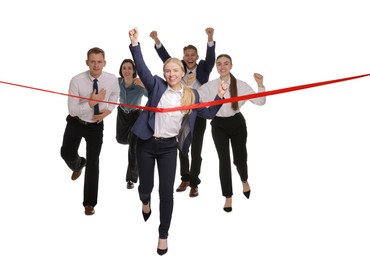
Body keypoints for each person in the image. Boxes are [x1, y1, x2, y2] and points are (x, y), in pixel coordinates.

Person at [128, 27, 226, 255]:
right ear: (164, 74)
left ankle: (163, 234)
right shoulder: (156, 86)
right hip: (146, 143)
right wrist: (135, 44)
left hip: (169, 148)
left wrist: (220, 97)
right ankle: (145, 200)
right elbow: (141, 68)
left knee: (166, 192)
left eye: (175, 70)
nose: (171, 74)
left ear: (182, 72)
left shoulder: (192, 96)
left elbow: (209, 114)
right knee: (146, 187)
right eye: (167, 70)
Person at [149, 28, 216, 197]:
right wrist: (157, 40)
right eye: (187, 55)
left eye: (193, 55)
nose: (190, 57)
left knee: (196, 150)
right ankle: (185, 177)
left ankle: (194, 182)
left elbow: (211, 58)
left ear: (197, 57)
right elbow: (166, 58)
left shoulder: (203, 69)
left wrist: (209, 37)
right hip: (179, 114)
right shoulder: (178, 69)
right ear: (183, 57)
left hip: (198, 113)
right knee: (181, 147)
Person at [197, 54, 266, 212]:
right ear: (216, 66)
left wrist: (260, 85)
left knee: (240, 158)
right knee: (224, 161)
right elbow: (195, 97)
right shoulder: (210, 86)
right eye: (219, 64)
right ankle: (228, 196)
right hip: (218, 125)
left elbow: (260, 102)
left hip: (237, 123)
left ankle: (244, 180)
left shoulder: (240, 85)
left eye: (226, 63)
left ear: (231, 65)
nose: (222, 67)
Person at [60, 47, 120, 215]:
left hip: (96, 125)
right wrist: (91, 103)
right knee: (66, 152)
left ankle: (89, 203)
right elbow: (72, 110)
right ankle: (78, 165)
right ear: (87, 62)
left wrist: (108, 110)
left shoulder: (111, 79)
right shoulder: (76, 81)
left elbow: (116, 94)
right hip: (76, 122)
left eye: (99, 61)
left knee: (94, 162)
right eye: (92, 61)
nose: (96, 65)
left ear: (104, 63)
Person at [115, 58, 148, 189]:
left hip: (136, 115)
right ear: (121, 71)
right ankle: (136, 141)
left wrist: (144, 85)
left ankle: (131, 179)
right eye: (124, 68)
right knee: (120, 139)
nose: (127, 70)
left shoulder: (138, 85)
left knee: (133, 148)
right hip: (122, 114)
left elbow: (152, 96)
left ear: (134, 71)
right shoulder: (117, 82)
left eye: (129, 68)